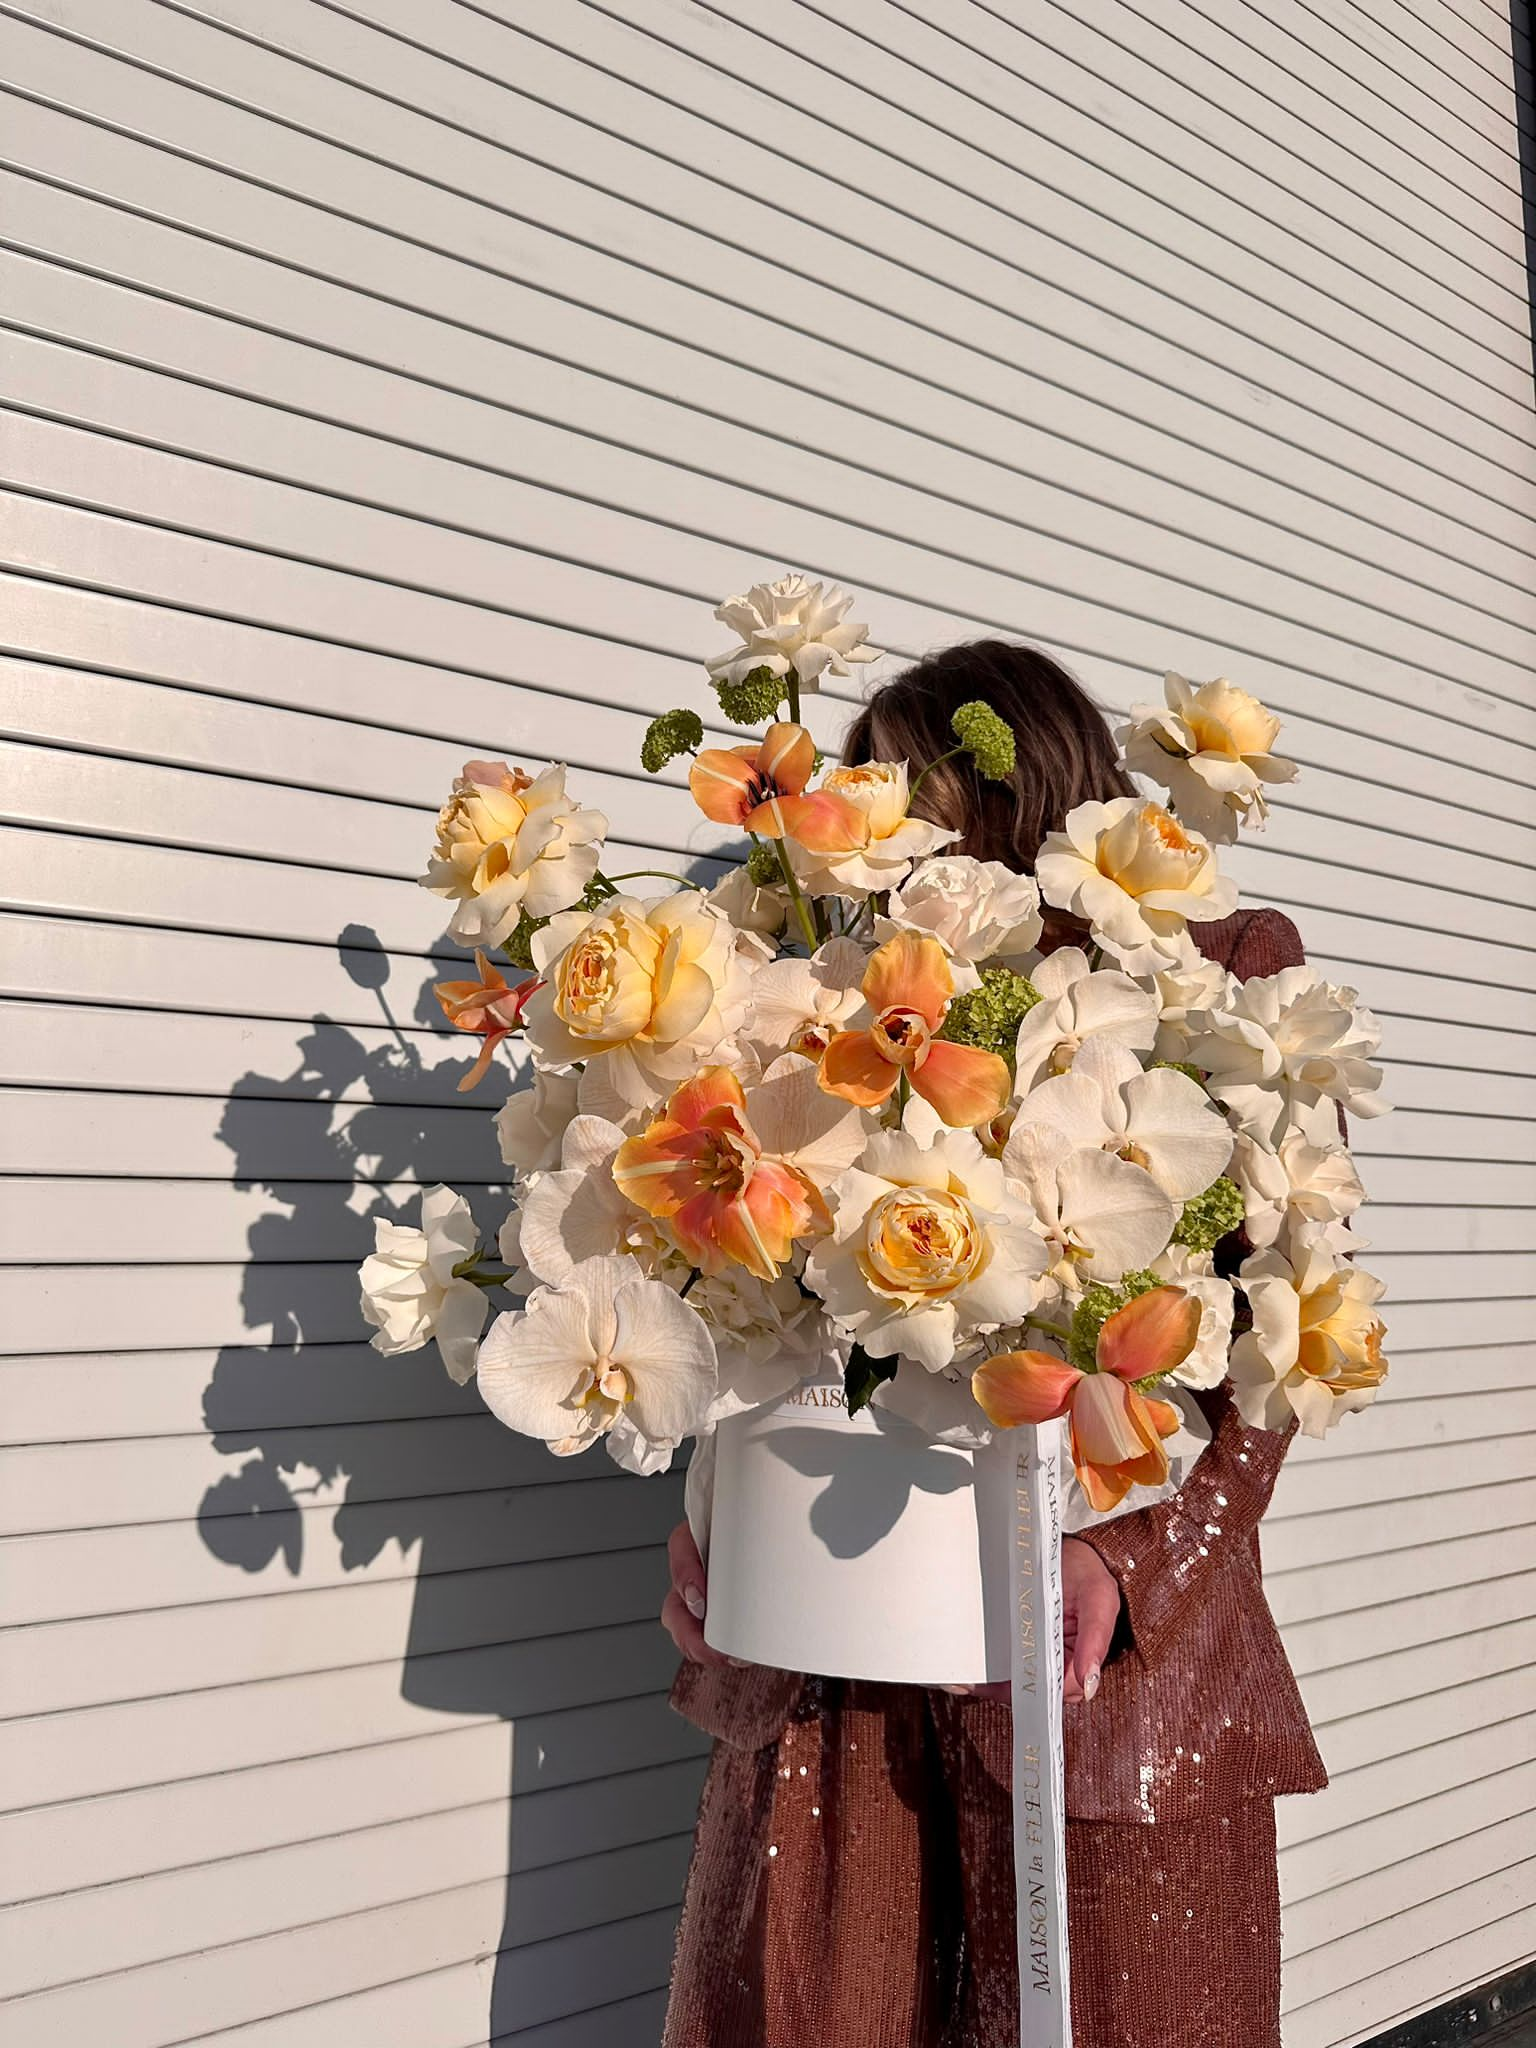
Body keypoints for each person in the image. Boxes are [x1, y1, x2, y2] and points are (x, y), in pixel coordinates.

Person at [658, 640, 1329, 2048]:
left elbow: (1273, 1358)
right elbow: (745, 1312)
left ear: (1012, 797)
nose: (875, 836)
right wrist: (712, 1514)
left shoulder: (1211, 979)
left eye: (907, 802)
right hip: (850, 1669)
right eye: (859, 805)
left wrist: (1132, 1561)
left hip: (1110, 1677)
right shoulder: (829, 1003)